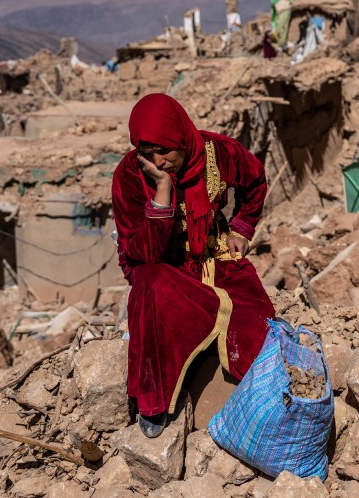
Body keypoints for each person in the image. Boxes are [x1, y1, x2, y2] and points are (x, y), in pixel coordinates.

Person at [111, 93, 275, 437]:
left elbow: (256, 180)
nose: (158, 161)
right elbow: (142, 253)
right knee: (150, 288)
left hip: (214, 255)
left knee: (258, 330)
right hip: (164, 269)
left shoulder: (219, 152)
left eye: (164, 151)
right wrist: (162, 191)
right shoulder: (130, 175)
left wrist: (242, 229)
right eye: (147, 152)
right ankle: (155, 403)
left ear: (181, 138)